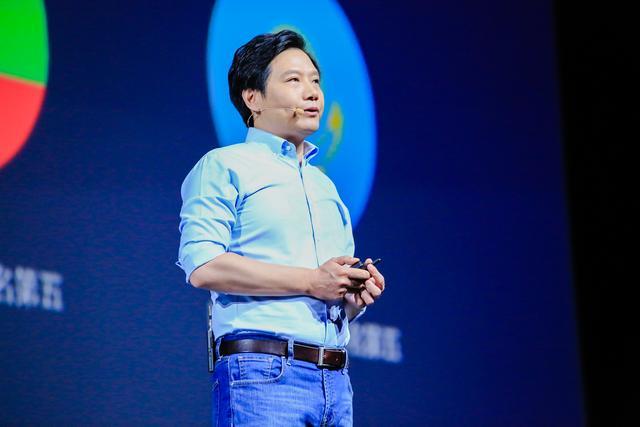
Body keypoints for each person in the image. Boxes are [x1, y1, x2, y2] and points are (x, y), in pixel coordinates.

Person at [176, 29, 385, 426]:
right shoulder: (225, 165)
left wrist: (351, 300)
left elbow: (323, 295)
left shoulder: (325, 187)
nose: (312, 93)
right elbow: (203, 265)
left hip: (335, 381)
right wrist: (312, 281)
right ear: (252, 98)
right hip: (263, 374)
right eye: (293, 80)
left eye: (315, 81)